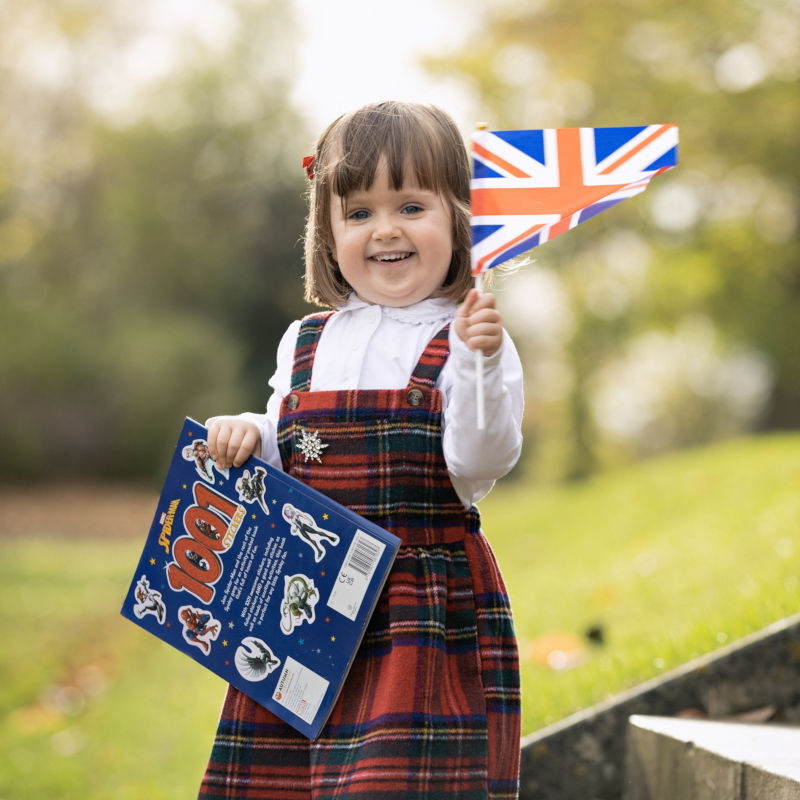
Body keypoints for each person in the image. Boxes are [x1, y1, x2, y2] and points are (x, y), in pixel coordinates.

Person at [199, 101, 524, 799]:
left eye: (411, 206)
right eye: (359, 212)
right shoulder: (308, 340)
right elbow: (288, 448)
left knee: (392, 783)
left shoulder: (468, 337)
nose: (386, 230)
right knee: (287, 783)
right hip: (307, 604)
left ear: (460, 219)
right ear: (329, 231)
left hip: (419, 607)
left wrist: (480, 364)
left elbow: (479, 463)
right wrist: (249, 433)